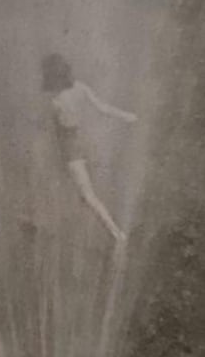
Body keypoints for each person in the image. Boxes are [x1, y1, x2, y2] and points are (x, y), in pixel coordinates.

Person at [41, 53, 136, 245]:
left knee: (87, 195)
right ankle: (41, 219)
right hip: (80, 144)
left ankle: (117, 234)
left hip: (69, 152)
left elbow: (53, 132)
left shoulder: (55, 102)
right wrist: (126, 116)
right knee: (80, 192)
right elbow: (103, 108)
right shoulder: (80, 88)